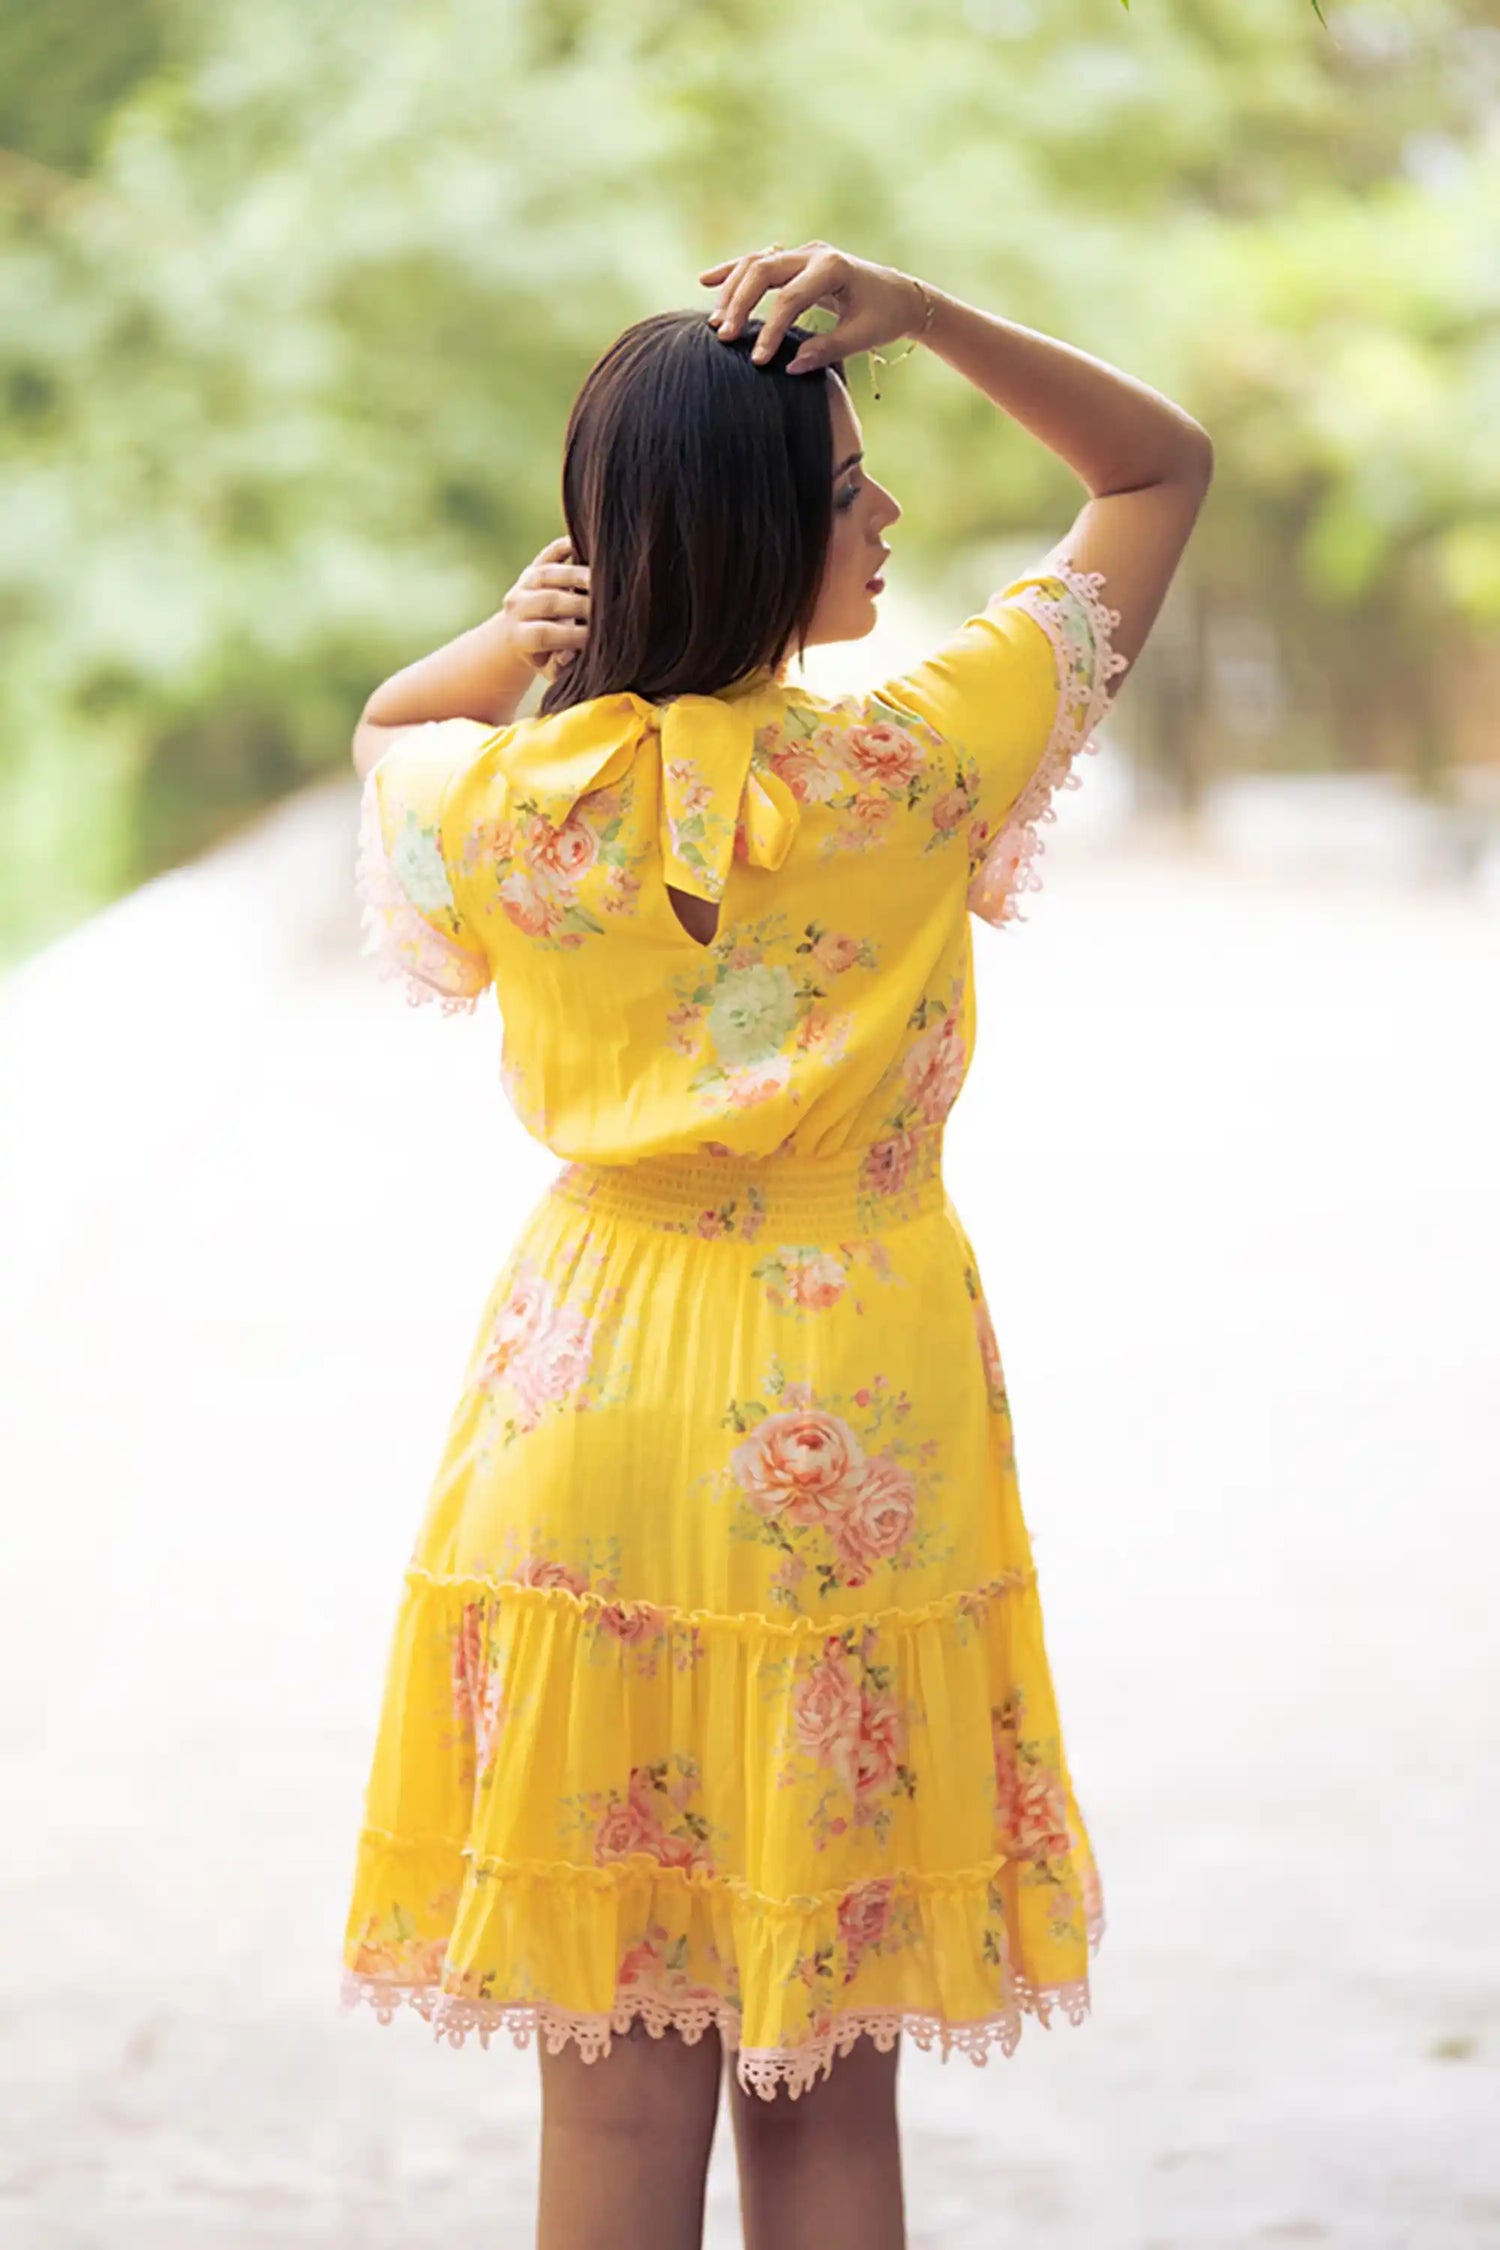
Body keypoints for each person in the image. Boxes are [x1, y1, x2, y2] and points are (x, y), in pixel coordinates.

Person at [341, 240, 1212, 2250]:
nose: (889, 515)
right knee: (825, 2091)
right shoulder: (907, 765)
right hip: (851, 1409)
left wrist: (502, 637)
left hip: (587, 1408)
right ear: (756, 536)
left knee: (614, 2096)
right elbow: (1157, 472)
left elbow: (393, 730)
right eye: (845, 487)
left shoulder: (513, 807)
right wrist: (928, 315)